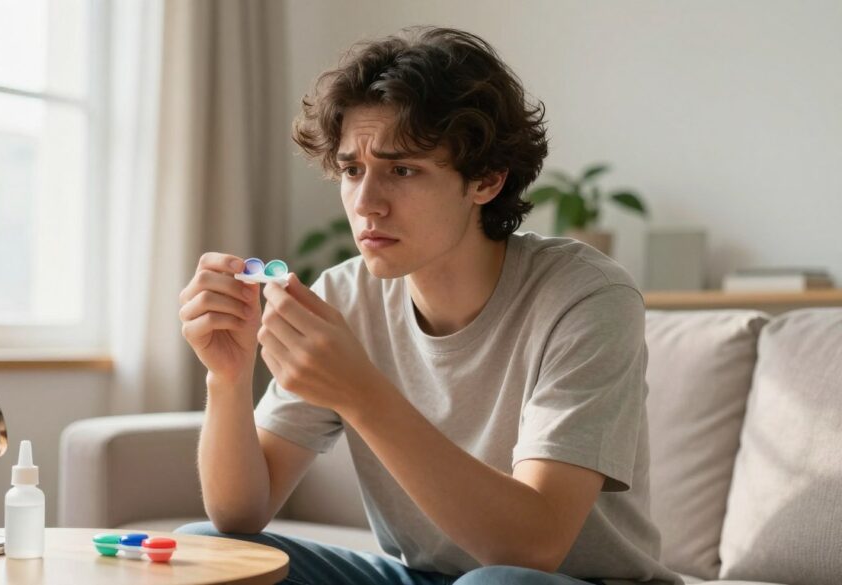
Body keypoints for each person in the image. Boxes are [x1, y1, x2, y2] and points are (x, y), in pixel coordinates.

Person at [176, 26, 681, 585]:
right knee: (211, 554)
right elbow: (241, 513)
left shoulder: (585, 297)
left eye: (403, 170)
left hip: (560, 582)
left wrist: (362, 394)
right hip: (425, 579)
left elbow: (533, 548)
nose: (366, 204)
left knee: (498, 584)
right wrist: (226, 376)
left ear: (486, 180)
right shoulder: (345, 295)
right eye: (351, 170)